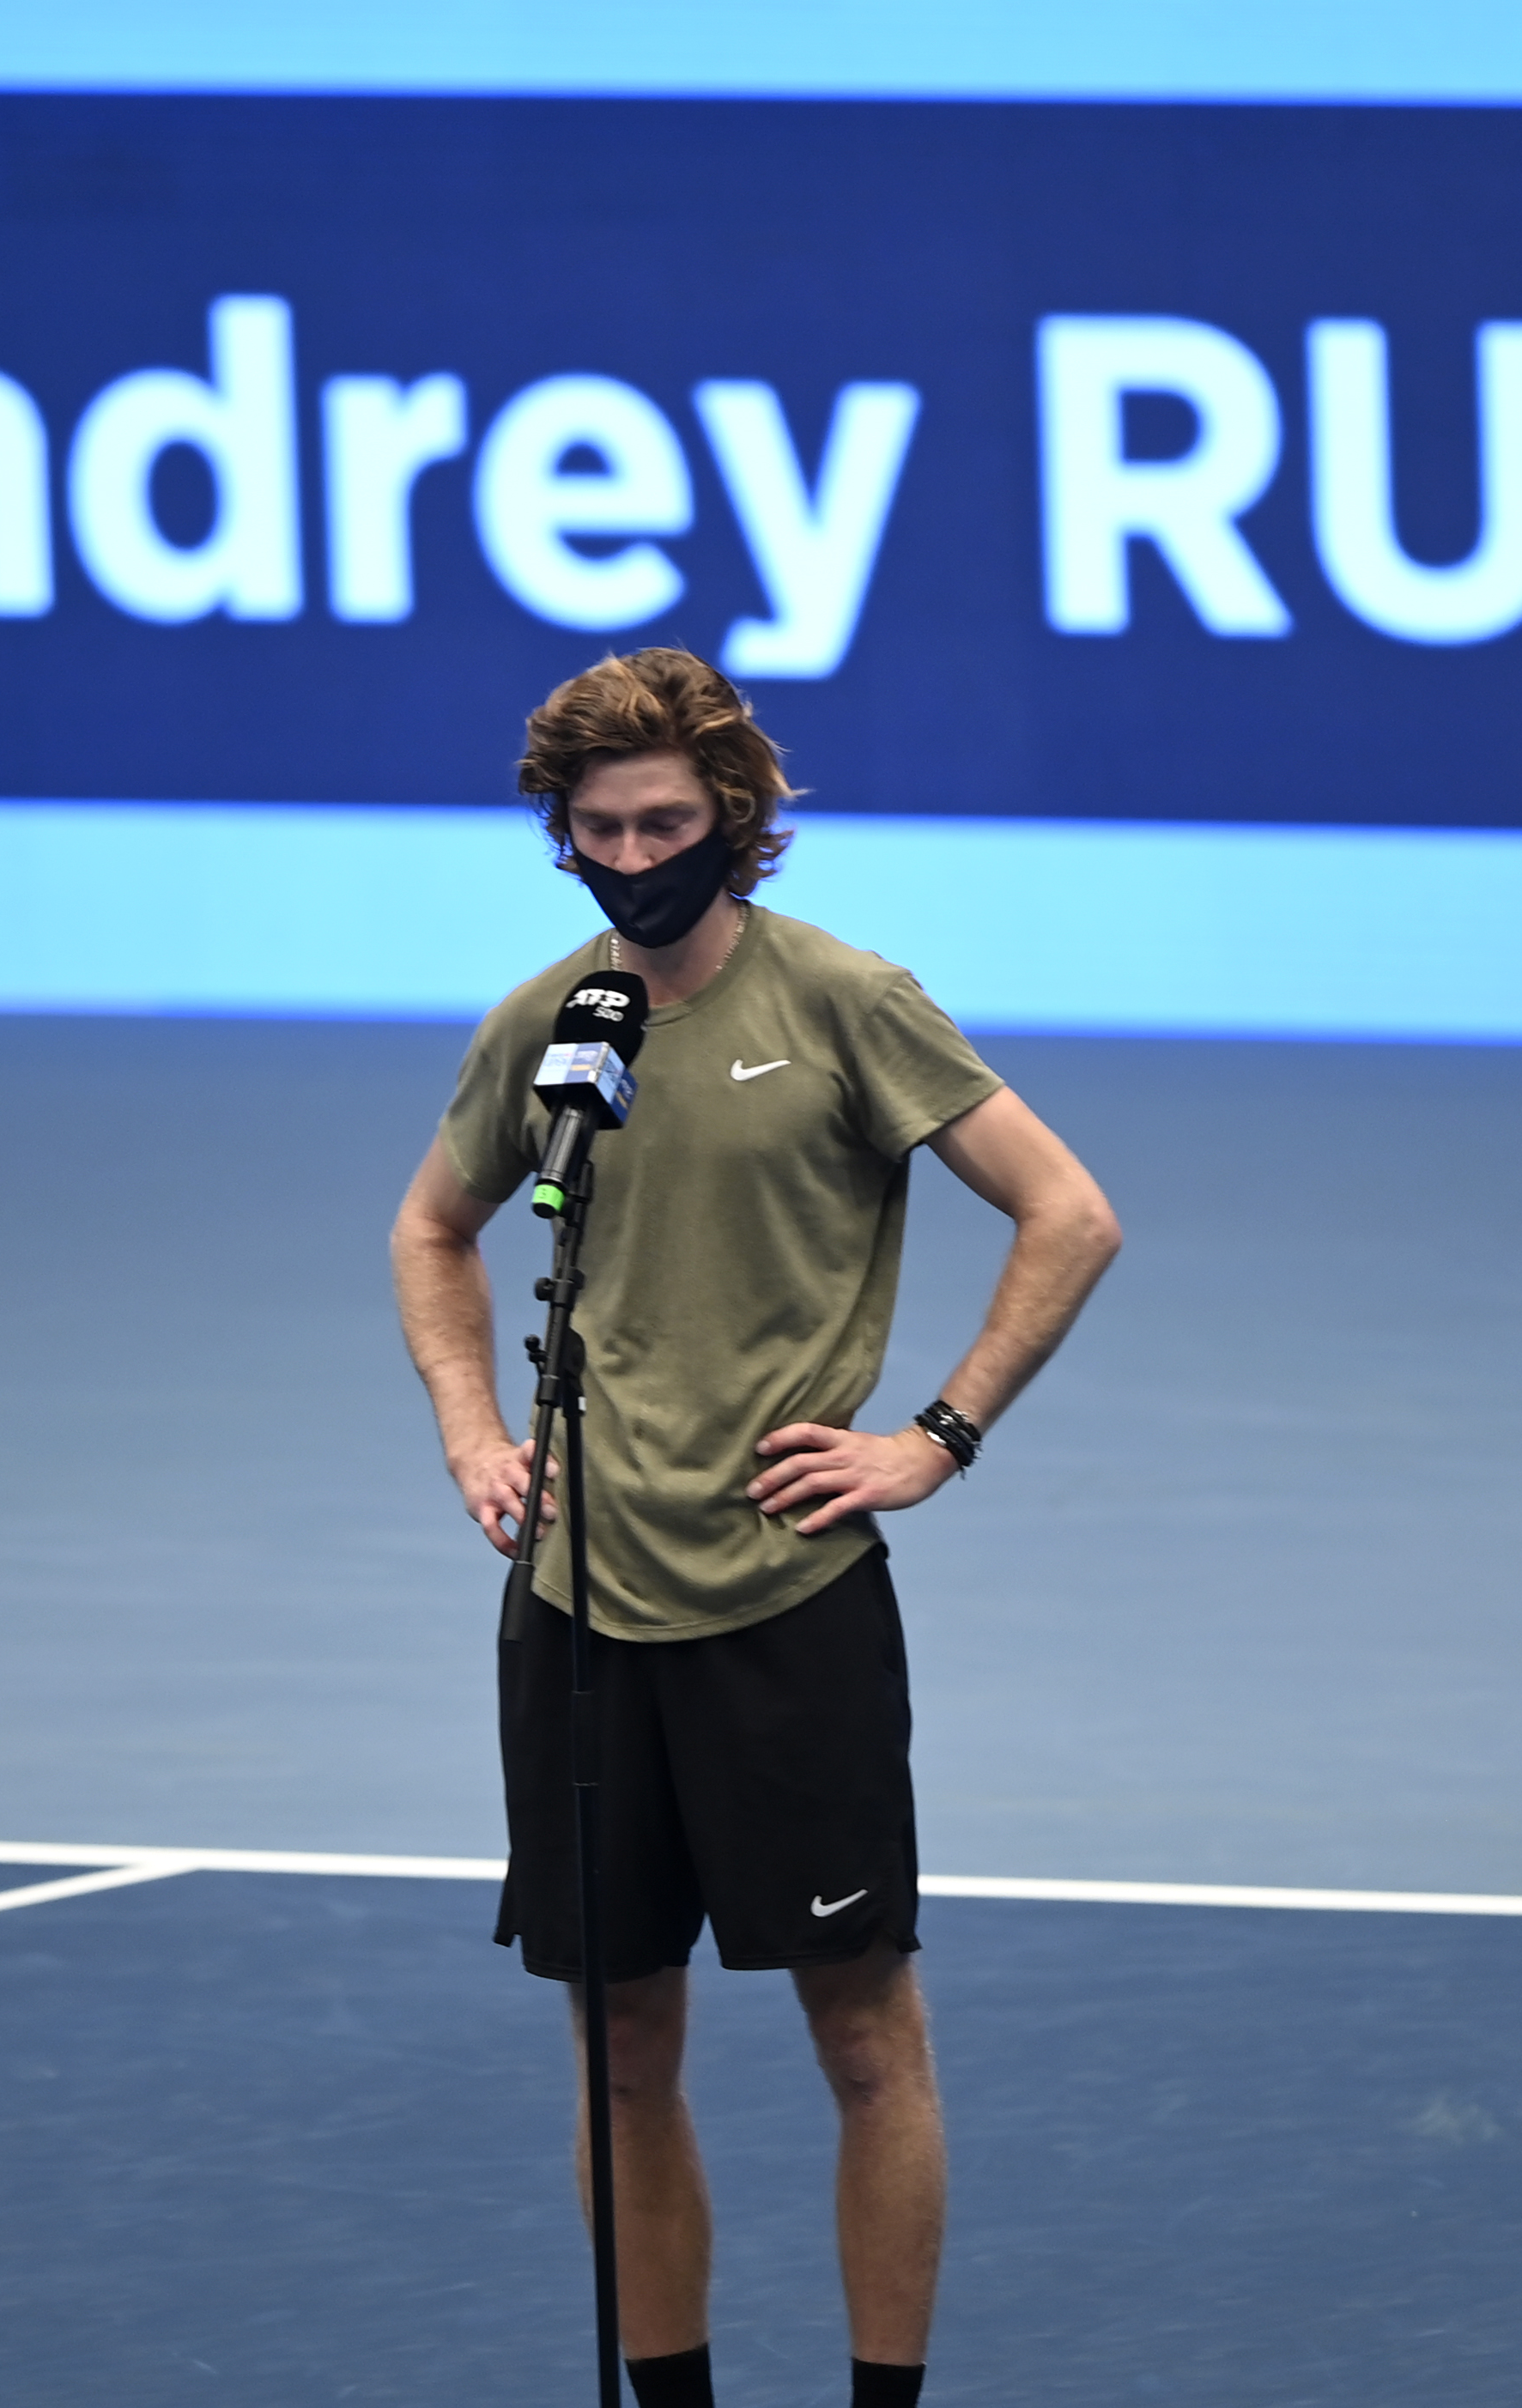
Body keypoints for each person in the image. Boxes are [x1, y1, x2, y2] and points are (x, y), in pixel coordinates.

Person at [390, 647, 1121, 2408]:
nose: (636, 850)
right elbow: (433, 1226)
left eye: (668, 817)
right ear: (560, 837)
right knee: (618, 2049)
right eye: (600, 826)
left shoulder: (850, 1000)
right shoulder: (546, 1024)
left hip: (785, 1604)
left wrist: (931, 1437)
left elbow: (1066, 1211)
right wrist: (474, 1427)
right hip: (574, 1612)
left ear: (736, 813)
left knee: (863, 2037)